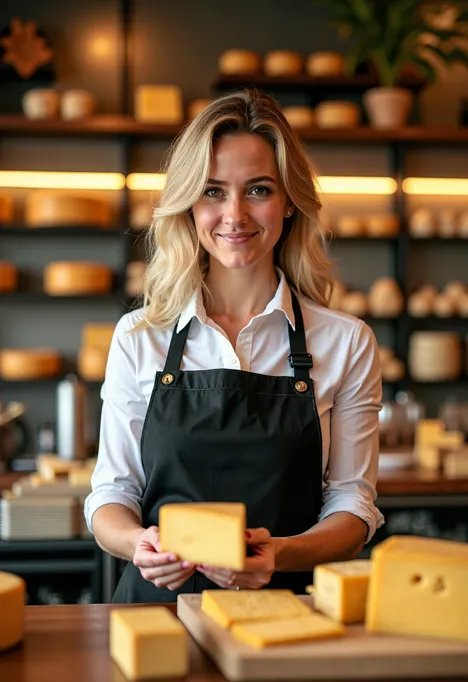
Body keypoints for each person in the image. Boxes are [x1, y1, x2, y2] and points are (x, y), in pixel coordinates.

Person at [85, 89, 383, 603]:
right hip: (157, 612)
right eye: (214, 191)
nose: (235, 215)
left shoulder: (346, 341)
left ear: (290, 200)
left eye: (259, 189)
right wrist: (139, 543)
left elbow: (353, 505)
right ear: (188, 205)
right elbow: (112, 495)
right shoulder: (140, 336)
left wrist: (282, 554)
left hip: (289, 614)